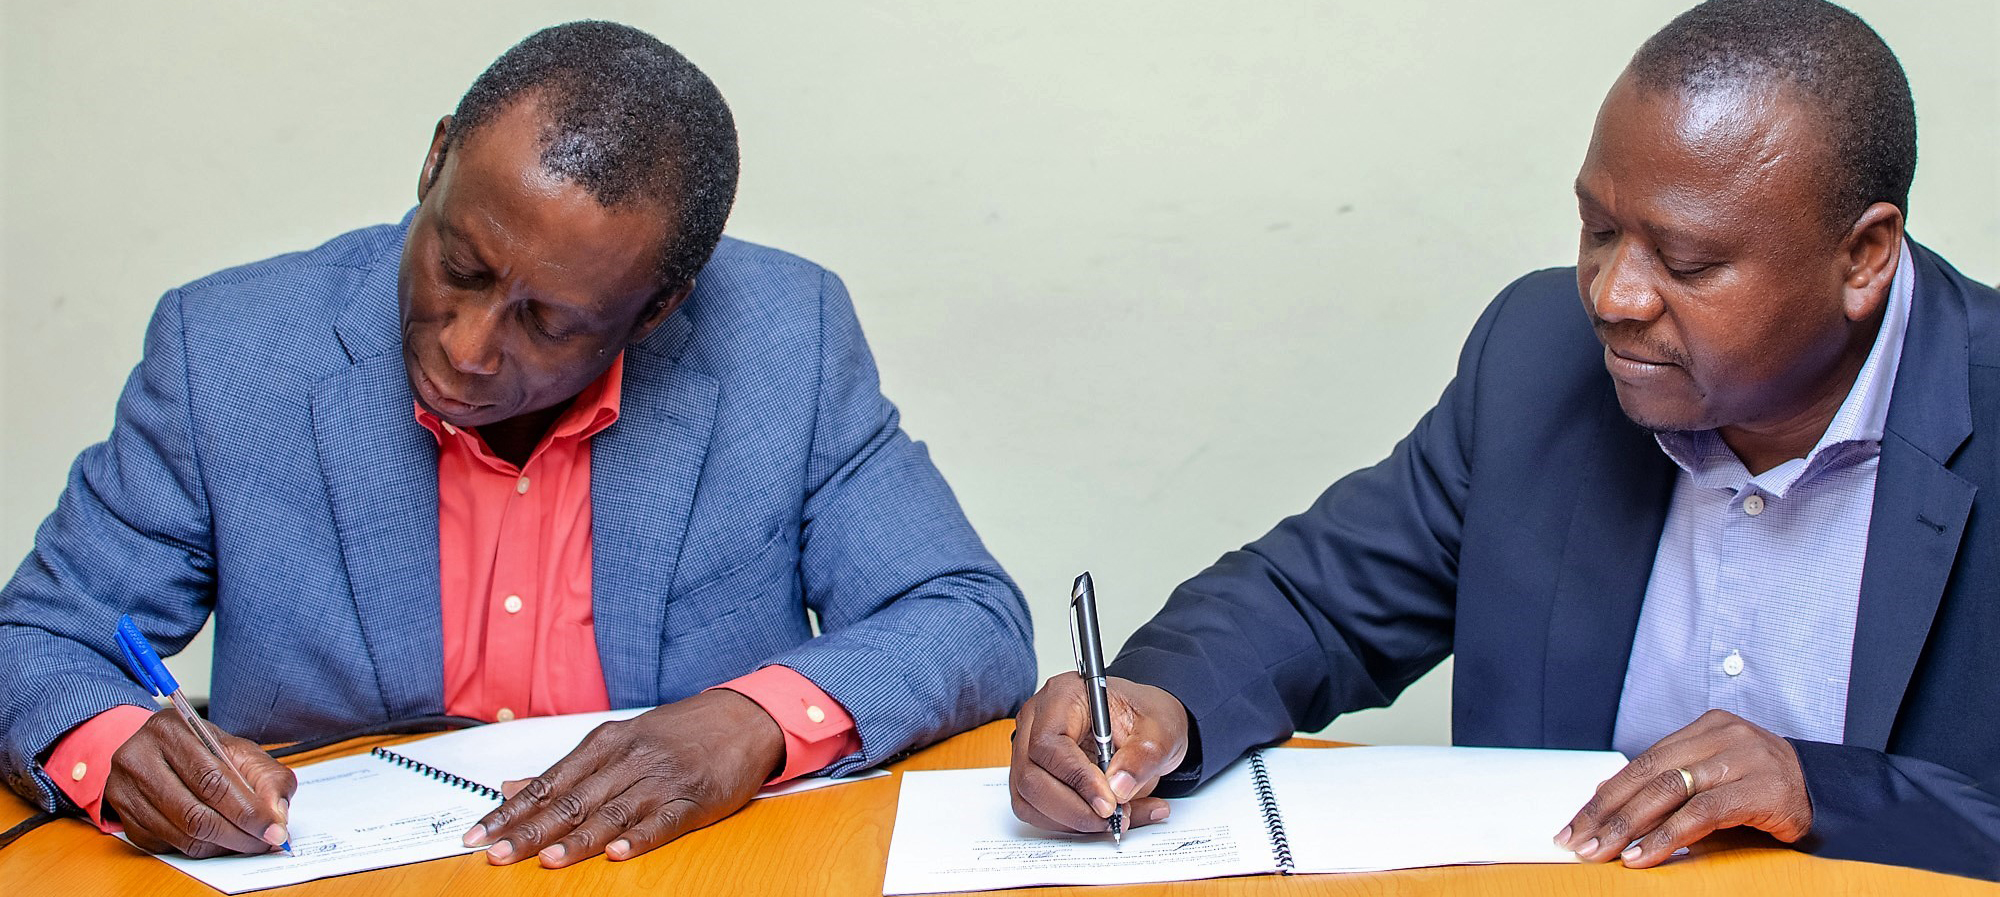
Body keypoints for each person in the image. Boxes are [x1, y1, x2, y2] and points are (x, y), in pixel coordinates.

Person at [0, 21, 1034, 868]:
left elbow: (966, 617)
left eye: (550, 324)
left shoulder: (783, 339)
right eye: (457, 265)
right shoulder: (229, 351)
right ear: (435, 156)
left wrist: (743, 723)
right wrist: (111, 744)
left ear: (655, 309)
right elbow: (32, 642)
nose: (467, 347)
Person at [1010, 0, 2000, 881]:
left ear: (1861, 257)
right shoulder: (1540, 359)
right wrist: (1153, 710)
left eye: (1687, 260)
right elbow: (1308, 603)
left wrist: (1820, 791)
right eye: (1597, 228)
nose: (1612, 296)